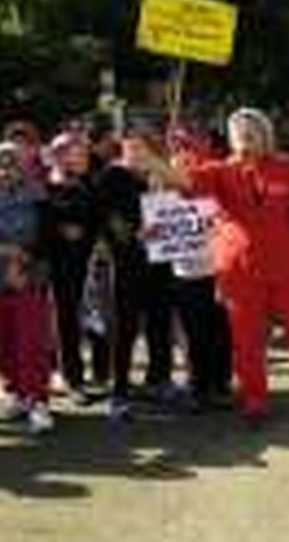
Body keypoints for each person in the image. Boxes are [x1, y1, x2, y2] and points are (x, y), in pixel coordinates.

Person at [138, 108, 289, 426]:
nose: (245, 138)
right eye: (238, 133)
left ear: (265, 135)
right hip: (239, 272)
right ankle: (254, 402)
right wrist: (152, 161)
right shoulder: (220, 171)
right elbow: (184, 180)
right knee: (247, 341)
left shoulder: (287, 168)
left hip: (287, 270)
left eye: (251, 132)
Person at [95, 125, 178, 422]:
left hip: (160, 261)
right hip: (127, 261)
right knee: (125, 326)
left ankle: (159, 380)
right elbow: (105, 215)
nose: (136, 152)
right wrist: (131, 234)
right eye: (131, 147)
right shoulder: (112, 176)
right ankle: (119, 391)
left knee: (160, 321)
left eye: (142, 147)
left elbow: (179, 206)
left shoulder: (158, 175)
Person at [0, 142, 54, 434]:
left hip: (28, 277)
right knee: (0, 342)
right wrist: (5, 251)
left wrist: (22, 261)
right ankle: (16, 394)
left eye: (14, 162)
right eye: (1, 162)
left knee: (30, 342)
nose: (7, 169)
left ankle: (38, 400)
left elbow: (46, 239)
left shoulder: (39, 198)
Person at [168, 124, 233, 411]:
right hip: (184, 270)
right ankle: (198, 386)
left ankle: (219, 385)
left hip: (219, 269)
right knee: (193, 332)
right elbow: (157, 221)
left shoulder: (218, 175)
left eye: (191, 147)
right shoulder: (165, 183)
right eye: (181, 148)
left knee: (219, 329)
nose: (186, 154)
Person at [43, 131, 107, 405]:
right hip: (57, 263)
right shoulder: (43, 186)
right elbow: (37, 222)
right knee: (65, 319)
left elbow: (101, 217)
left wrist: (98, 236)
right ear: (58, 155)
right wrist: (59, 229)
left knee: (98, 317)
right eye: (74, 153)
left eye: (83, 153)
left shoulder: (93, 183)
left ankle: (103, 374)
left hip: (91, 261)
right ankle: (72, 378)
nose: (81, 158)